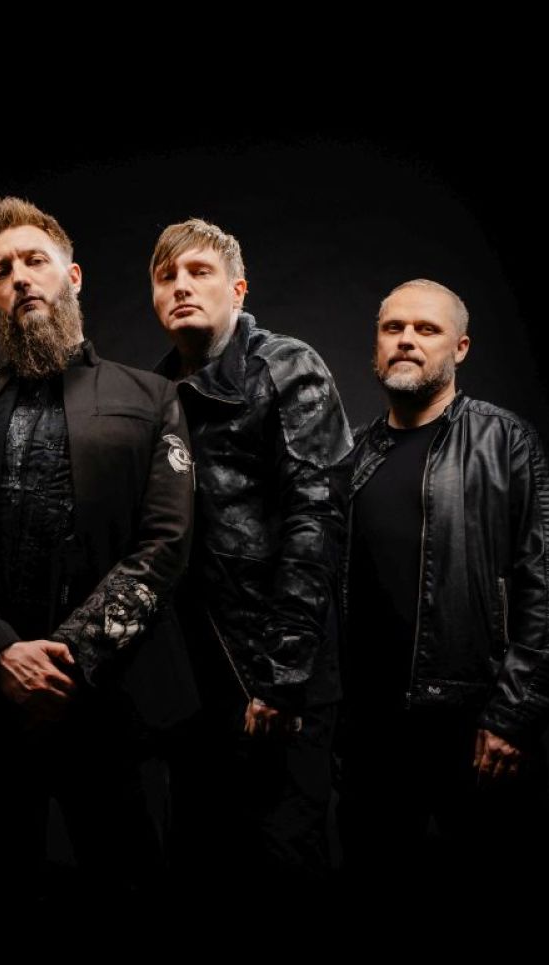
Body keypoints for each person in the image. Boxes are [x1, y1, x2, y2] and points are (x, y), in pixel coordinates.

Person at [0, 197, 196, 916]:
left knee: (130, 890)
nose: (20, 278)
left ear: (72, 276)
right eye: (2, 271)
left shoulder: (151, 396)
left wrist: (66, 661)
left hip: (114, 705)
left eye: (35, 261)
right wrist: (2, 655)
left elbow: (165, 543)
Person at [338, 278, 549, 890]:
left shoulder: (507, 442)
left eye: (426, 329)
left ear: (461, 348)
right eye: (393, 328)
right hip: (371, 736)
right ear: (376, 344)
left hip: (474, 731)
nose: (406, 340)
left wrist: (514, 718)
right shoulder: (355, 456)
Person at [147, 218, 353, 909]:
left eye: (199, 272)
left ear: (238, 289)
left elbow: (316, 520)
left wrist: (283, 678)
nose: (182, 287)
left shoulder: (286, 367)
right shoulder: (155, 394)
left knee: (283, 865)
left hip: (271, 672)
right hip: (191, 684)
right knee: (199, 866)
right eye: (167, 277)